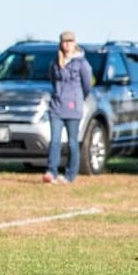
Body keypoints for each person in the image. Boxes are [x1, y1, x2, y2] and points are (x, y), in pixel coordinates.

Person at [42, 30, 93, 184]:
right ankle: (51, 171)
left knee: (72, 142)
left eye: (70, 41)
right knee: (55, 140)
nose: (67, 44)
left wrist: (78, 99)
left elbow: (87, 85)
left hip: (73, 107)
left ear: (75, 43)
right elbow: (52, 80)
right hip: (57, 106)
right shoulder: (55, 62)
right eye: (65, 41)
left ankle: (70, 174)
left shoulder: (82, 63)